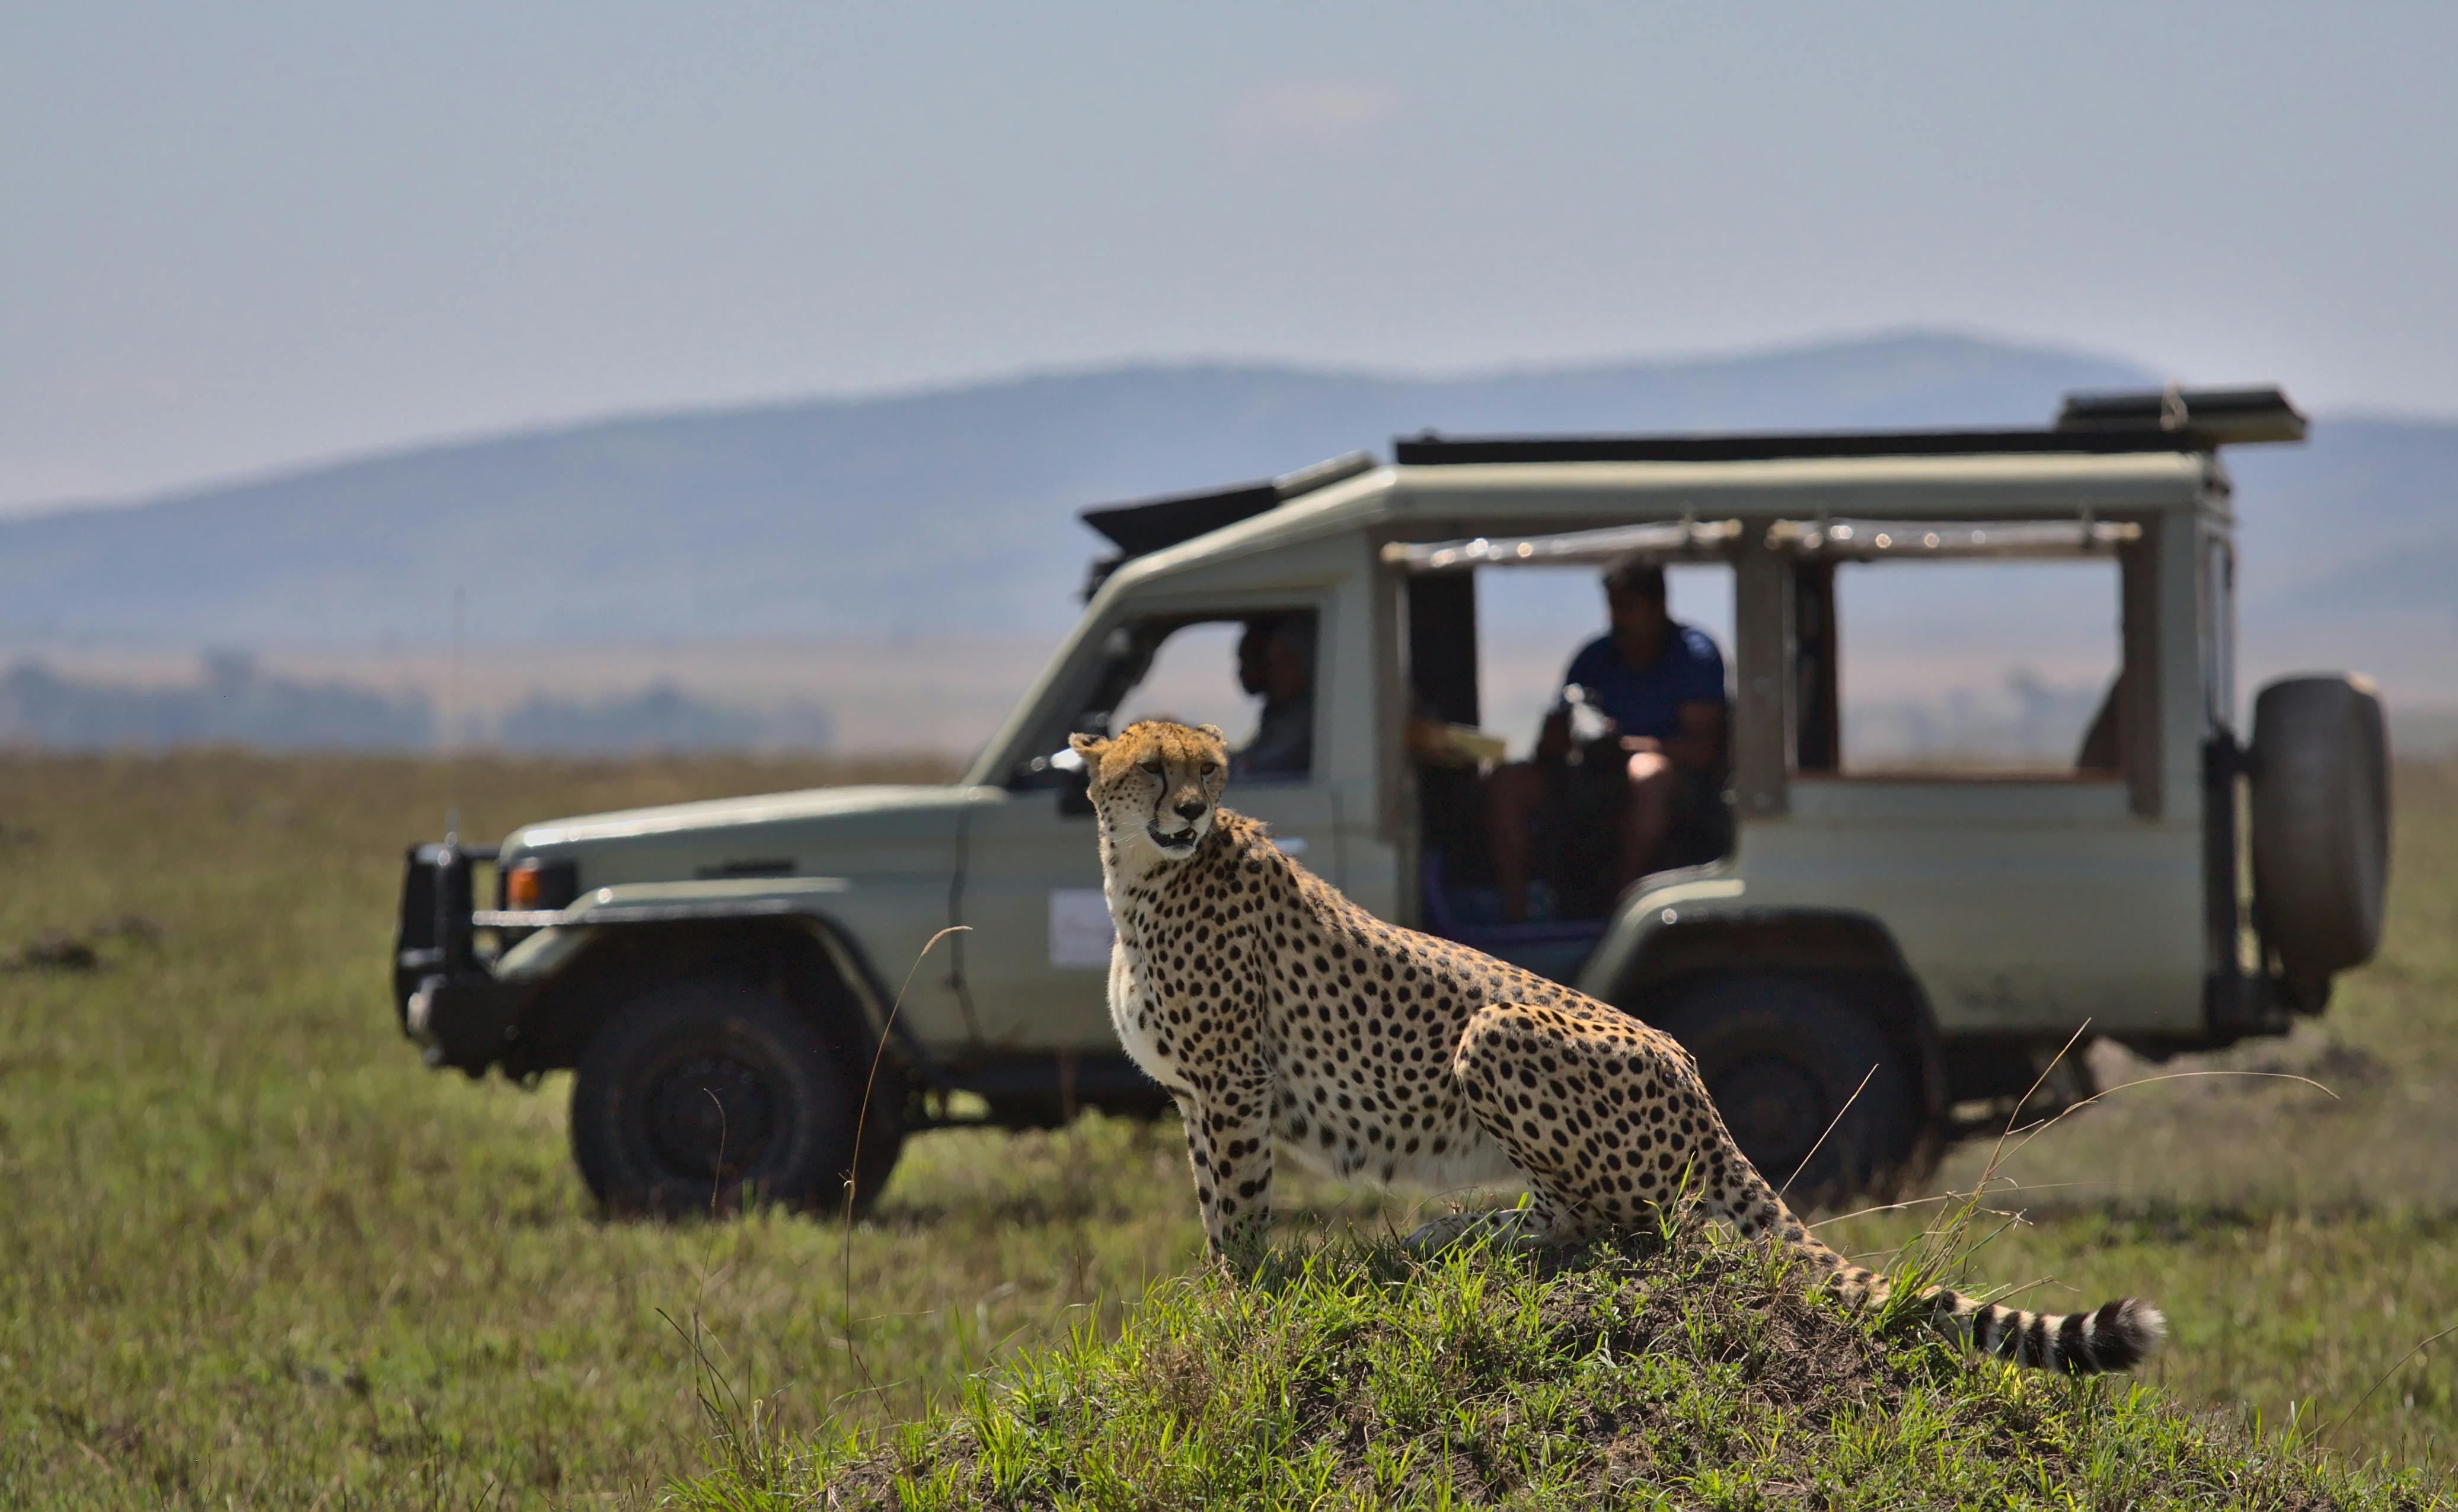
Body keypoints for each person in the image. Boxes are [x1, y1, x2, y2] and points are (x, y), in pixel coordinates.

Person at [1486, 557, 1727, 921]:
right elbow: (1549, 747)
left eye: (1629, 608)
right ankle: (1515, 917)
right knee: (1507, 782)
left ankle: (1618, 913)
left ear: (1657, 606)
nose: (1618, 620)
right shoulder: (1595, 657)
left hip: (1672, 787)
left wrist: (1627, 746)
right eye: (1613, 608)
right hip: (1591, 778)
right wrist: (1556, 739)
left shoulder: (1693, 656)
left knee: (1648, 774)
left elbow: (1702, 751)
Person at [1230, 613, 1315, 778]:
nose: (1275, 671)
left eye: (1285, 659)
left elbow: (1253, 771)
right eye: (1271, 660)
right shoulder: (1281, 715)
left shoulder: (1307, 722)